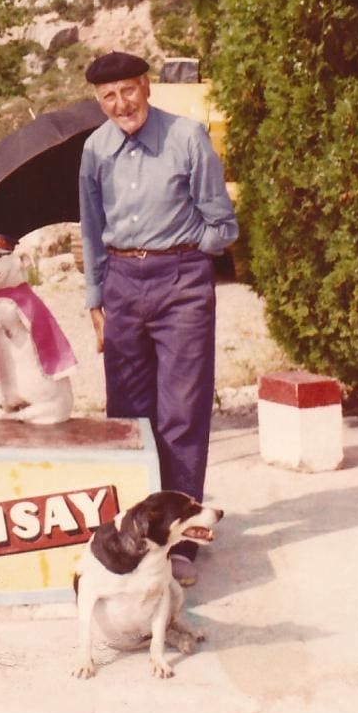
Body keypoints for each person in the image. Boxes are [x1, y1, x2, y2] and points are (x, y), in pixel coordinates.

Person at [78, 51, 238, 585]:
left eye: (128, 90)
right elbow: (91, 230)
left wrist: (188, 258)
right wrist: (96, 300)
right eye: (108, 96)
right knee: (127, 415)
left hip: (181, 285)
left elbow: (223, 223)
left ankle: (185, 539)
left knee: (182, 413)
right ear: (98, 101)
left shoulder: (188, 137)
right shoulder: (95, 150)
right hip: (122, 285)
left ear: (146, 86)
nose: (121, 104)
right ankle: (137, 539)